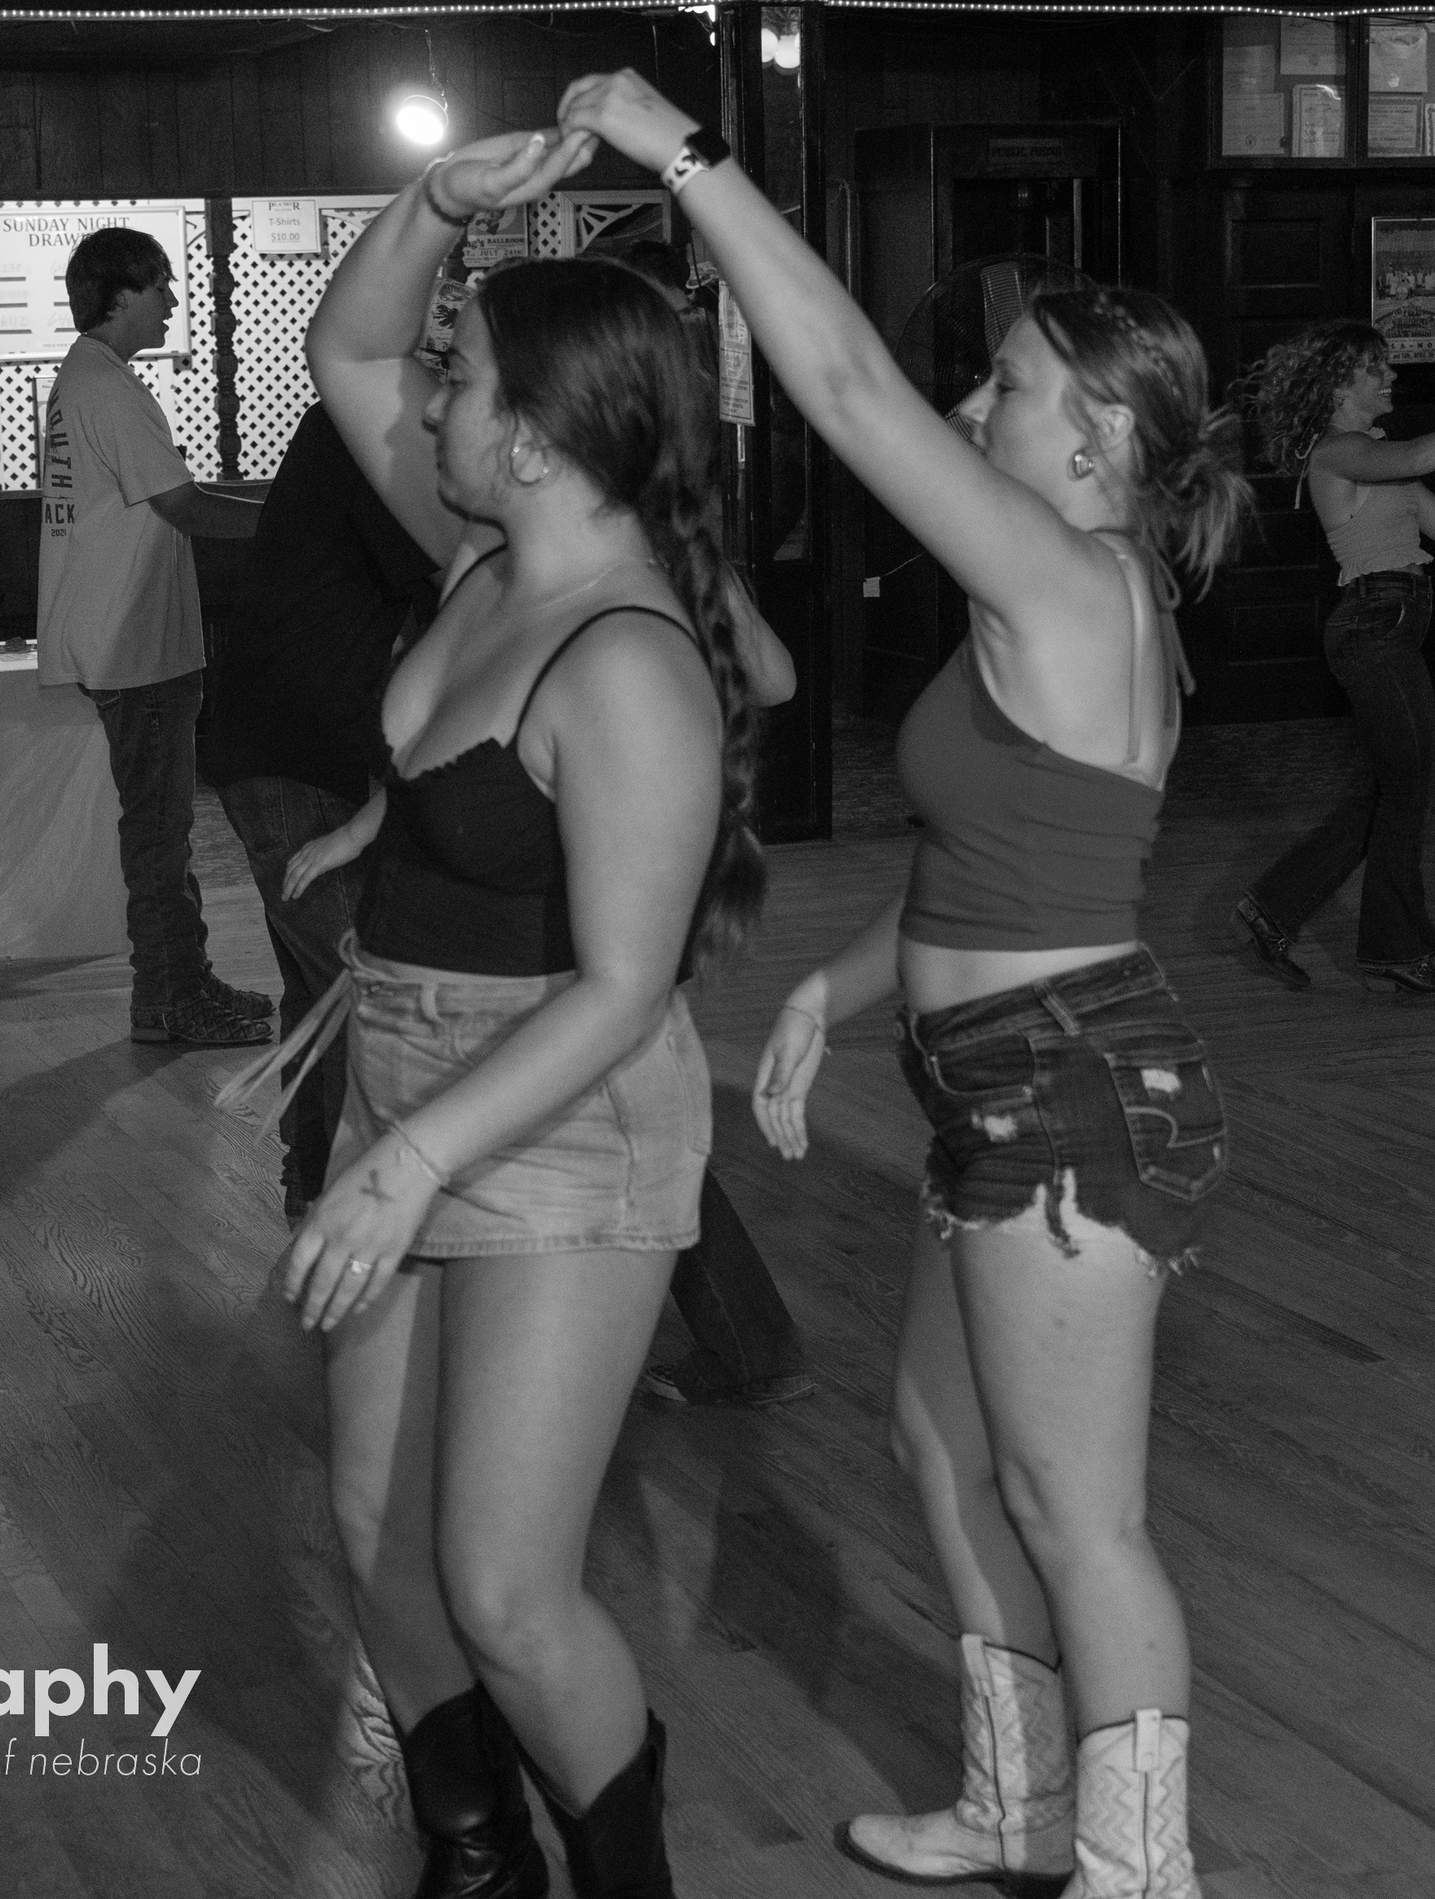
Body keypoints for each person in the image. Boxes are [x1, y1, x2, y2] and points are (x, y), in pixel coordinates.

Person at [559, 67, 1244, 1899]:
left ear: (1099, 437)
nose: (967, 406)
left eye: (1004, 385)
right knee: (942, 1448)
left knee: (1078, 1513)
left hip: (1072, 1090)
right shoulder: (1058, 598)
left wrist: (684, 155)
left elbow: (848, 386)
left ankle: (1141, 1871)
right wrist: (829, 990)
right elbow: (996, 871)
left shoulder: (1074, 580)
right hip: (1000, 1072)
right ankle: (1018, 1807)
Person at [280, 126, 768, 1899]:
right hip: (407, 1065)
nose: (430, 399)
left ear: (542, 436)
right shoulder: (488, 562)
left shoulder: (623, 655)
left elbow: (628, 985)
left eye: (464, 377)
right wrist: (435, 204)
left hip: (559, 1107)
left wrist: (409, 1157)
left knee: (502, 1582)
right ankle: (478, 1858)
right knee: (374, 1529)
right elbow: (347, 347)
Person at [610, 237, 817, 1412]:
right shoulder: (669, 526)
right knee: (633, 1097)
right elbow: (774, 675)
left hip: (637, 858)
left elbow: (772, 676)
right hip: (669, 851)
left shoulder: (627, 535)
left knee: (634, 1101)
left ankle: (741, 1338)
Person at [1229, 322, 1435, 997]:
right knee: (1408, 791)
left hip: (1387, 627)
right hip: (1373, 628)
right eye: (1375, 369)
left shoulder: (1373, 456)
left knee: (1394, 789)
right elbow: (1418, 456)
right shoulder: (1337, 452)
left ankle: (1277, 907)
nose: (1391, 377)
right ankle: (1393, 946)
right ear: (1337, 387)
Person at [201, 401, 439, 1219]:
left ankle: (313, 1194)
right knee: (361, 991)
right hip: (292, 756)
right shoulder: (360, 443)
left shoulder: (335, 435)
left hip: (277, 749)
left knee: (318, 990)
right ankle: (351, 1209)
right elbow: (454, 581)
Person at [37, 225, 273, 1048]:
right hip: (131, 643)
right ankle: (169, 997)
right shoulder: (107, 387)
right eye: (160, 285)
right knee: (159, 834)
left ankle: (183, 979)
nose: (173, 300)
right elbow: (185, 506)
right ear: (120, 294)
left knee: (161, 830)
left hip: (123, 636)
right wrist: (298, 520)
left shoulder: (89, 378)